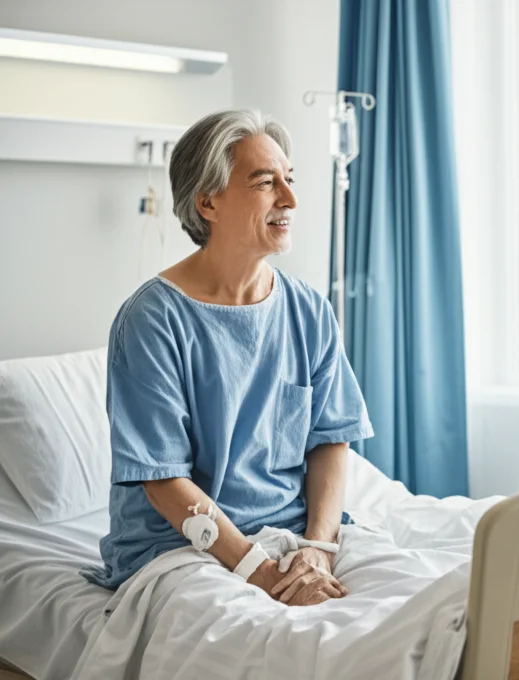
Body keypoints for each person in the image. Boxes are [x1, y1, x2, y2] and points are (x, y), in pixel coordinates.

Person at [86, 109, 374, 608]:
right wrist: (255, 570)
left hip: (295, 538)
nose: (290, 199)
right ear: (207, 202)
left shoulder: (309, 311)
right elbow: (163, 479)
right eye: (266, 183)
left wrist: (319, 549)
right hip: (179, 548)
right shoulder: (152, 320)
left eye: (289, 179)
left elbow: (330, 440)